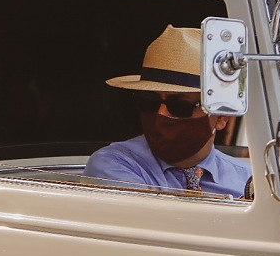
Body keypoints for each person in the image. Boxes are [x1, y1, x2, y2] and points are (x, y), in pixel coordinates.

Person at [84, 25, 251, 197]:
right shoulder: (113, 165)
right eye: (149, 102)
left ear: (222, 116)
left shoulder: (249, 180)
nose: (161, 114)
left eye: (179, 106)